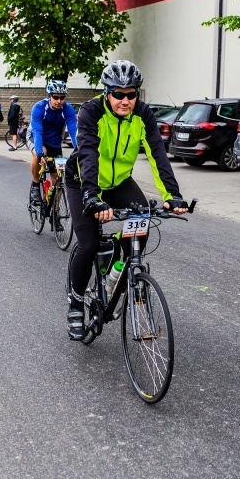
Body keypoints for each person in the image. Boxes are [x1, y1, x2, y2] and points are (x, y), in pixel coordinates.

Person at [64, 61, 189, 341]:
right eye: (118, 94)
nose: (125, 100)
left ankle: (116, 273)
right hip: (84, 180)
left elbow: (158, 154)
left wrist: (172, 195)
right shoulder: (91, 112)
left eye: (131, 94)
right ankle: (75, 303)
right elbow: (88, 154)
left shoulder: (143, 115)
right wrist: (92, 198)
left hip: (119, 181)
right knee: (88, 244)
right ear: (107, 92)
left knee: (141, 228)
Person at [28, 80, 77, 203]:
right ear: (50, 96)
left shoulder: (68, 109)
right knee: (38, 155)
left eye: (62, 97)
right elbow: (38, 131)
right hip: (37, 137)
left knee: (58, 178)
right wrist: (40, 152)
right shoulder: (39, 108)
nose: (59, 101)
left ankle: (55, 213)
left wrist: (79, 151)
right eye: (55, 97)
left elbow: (73, 131)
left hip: (55, 143)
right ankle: (35, 185)